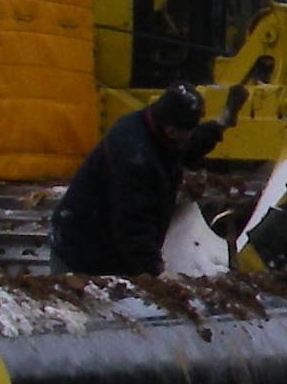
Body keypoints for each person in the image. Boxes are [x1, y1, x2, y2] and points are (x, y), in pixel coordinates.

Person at [51, 83, 223, 276]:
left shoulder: (154, 128)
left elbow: (182, 149)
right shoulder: (134, 155)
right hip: (84, 252)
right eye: (188, 130)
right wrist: (155, 270)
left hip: (112, 246)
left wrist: (217, 127)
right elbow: (133, 223)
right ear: (171, 130)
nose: (189, 136)